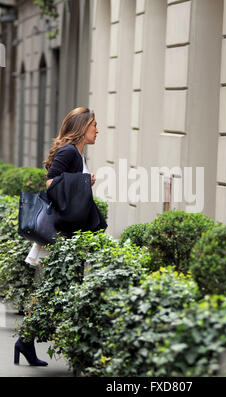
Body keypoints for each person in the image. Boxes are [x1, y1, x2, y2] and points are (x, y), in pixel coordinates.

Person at [14, 107, 101, 366]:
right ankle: (33, 342)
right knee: (58, 289)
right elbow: (51, 183)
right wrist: (83, 182)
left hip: (67, 233)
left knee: (58, 288)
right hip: (60, 233)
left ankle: (27, 342)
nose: (98, 130)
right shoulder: (68, 152)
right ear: (82, 127)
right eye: (94, 124)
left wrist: (84, 181)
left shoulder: (76, 153)